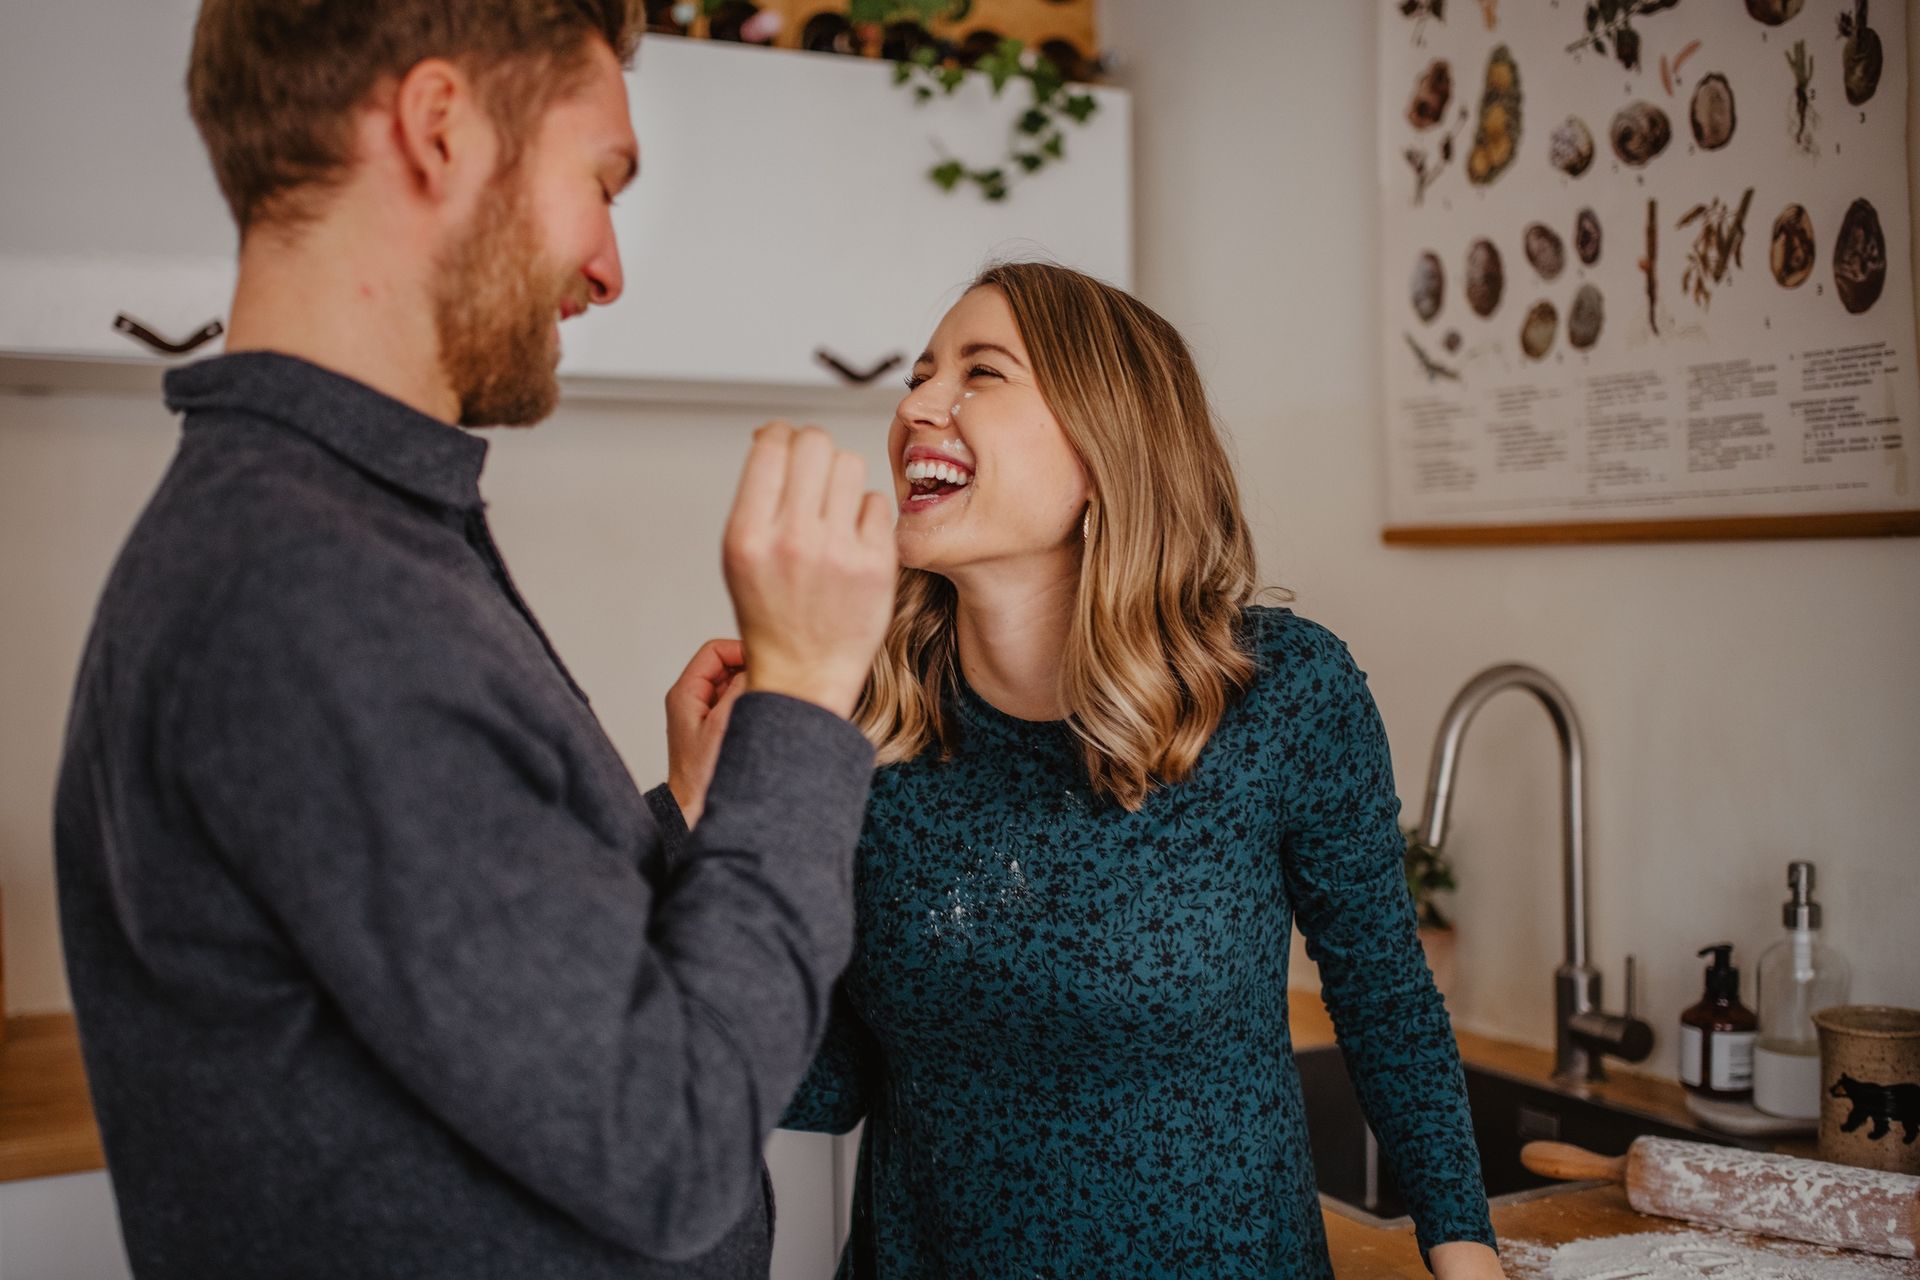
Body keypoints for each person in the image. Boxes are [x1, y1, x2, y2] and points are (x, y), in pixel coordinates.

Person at [53, 3, 896, 1277]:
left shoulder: (346, 535)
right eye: (599, 180)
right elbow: (668, 1143)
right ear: (440, 127)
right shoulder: (314, 592)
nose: (610, 264)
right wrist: (806, 706)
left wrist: (699, 815)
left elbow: (509, 987)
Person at [728, 262, 1505, 1276]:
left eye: (981, 372)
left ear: (1103, 452)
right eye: (921, 375)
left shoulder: (1281, 692)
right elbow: (828, 1081)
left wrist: (1468, 1255)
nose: (916, 403)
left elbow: (1385, 997)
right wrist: (734, 811)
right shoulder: (861, 715)